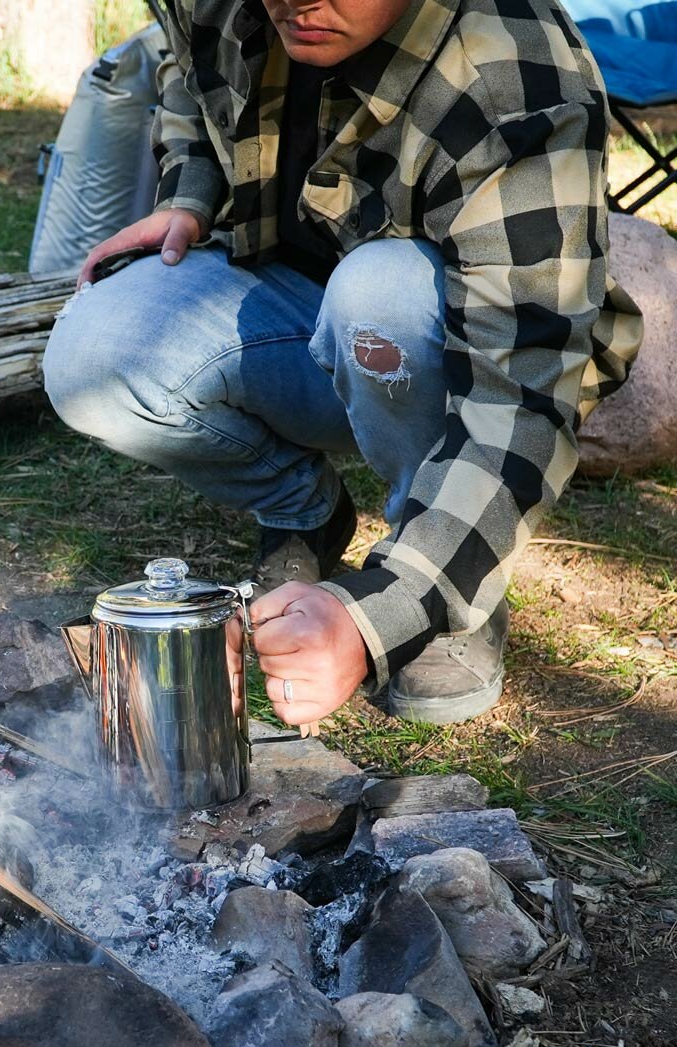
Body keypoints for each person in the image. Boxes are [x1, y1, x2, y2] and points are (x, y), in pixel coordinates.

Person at [42, 0, 643, 727]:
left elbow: (522, 393)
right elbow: (185, 69)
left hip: (445, 343)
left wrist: (379, 617)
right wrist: (191, 193)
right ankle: (308, 517)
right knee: (94, 355)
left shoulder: (511, 71)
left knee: (379, 294)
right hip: (291, 303)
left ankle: (441, 588)